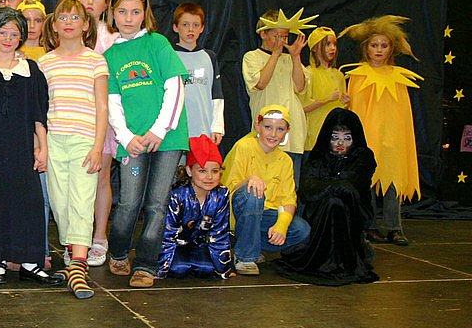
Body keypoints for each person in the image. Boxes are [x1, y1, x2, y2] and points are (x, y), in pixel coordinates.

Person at [104, 0, 189, 288]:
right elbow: (112, 102)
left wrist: (159, 130)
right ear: (112, 15)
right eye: (122, 12)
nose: (128, 18)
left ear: (145, 15)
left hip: (167, 139)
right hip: (133, 144)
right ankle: (118, 252)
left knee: (156, 204)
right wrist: (127, 137)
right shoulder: (110, 55)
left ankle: (146, 265)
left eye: (135, 12)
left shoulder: (158, 43)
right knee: (129, 202)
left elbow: (175, 87)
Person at [0, 8, 58, 285]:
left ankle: (30, 262)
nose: (7, 39)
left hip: (22, 149)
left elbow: (39, 115)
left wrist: (42, 148)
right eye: (2, 33)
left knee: (28, 203)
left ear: (21, 37)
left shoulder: (32, 71)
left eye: (14, 34)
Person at [38, 0, 108, 299]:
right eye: (63, 18)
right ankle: (72, 253)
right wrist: (40, 146)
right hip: (54, 140)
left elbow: (102, 107)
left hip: (84, 140)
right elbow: (40, 110)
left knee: (82, 199)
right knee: (59, 202)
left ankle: (78, 265)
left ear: (86, 25)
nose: (68, 22)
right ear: (54, 25)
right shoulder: (44, 63)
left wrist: (98, 146)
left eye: (75, 17)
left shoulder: (95, 61)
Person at [58, 0, 124, 267]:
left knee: (100, 176)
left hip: (103, 117)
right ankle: (74, 238)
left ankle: (98, 237)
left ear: (107, 3)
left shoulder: (114, 38)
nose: (89, 2)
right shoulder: (65, 30)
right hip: (69, 118)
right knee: (69, 182)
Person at [340, 15, 422, 246]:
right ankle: (368, 226)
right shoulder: (358, 76)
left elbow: (403, 115)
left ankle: (394, 228)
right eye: (374, 45)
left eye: (383, 46)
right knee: (368, 183)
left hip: (393, 141)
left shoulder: (399, 78)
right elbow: (355, 110)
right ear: (366, 48)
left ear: (391, 49)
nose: (378, 50)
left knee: (393, 183)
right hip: (368, 139)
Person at [276, 108, 379, 285]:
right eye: (335, 137)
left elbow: (353, 186)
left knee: (336, 203)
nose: (340, 143)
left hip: (354, 213)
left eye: (347, 138)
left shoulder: (364, 156)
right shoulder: (318, 156)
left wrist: (327, 186)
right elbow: (308, 190)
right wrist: (336, 186)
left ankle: (345, 257)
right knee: (333, 202)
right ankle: (326, 259)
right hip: (320, 213)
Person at [222, 105, 311, 275]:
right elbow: (227, 189)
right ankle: (245, 257)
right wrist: (249, 180)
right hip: (237, 211)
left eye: (280, 129)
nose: (273, 134)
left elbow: (288, 199)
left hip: (265, 214)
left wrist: (282, 224)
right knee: (254, 193)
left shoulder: (285, 160)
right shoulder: (243, 147)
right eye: (268, 127)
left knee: (301, 230)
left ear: (287, 131)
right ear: (257, 126)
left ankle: (252, 244)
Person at [242, 9, 315, 184]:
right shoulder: (252, 57)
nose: (282, 41)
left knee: (290, 183)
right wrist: (275, 54)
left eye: (285, 37)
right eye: (277, 36)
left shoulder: (290, 59)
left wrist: (295, 57)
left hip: (293, 130)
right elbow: (260, 83)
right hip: (266, 131)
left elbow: (300, 87)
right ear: (263, 34)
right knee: (264, 183)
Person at [156, 135, 232, 281]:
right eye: (202, 171)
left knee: (206, 269)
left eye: (215, 171)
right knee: (179, 268)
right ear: (189, 171)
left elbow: (220, 233)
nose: (209, 177)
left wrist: (223, 270)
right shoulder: (177, 195)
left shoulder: (221, 195)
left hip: (199, 244)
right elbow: (167, 233)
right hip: (175, 244)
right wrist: (161, 270)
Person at [172, 2, 224, 146]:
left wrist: (217, 127)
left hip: (203, 131)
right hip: (176, 132)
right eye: (185, 24)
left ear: (202, 28)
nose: (191, 29)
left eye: (195, 25)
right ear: (175, 27)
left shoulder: (209, 57)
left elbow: (216, 95)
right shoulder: (169, 56)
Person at [302, 27, 347, 153]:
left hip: (336, 136)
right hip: (316, 136)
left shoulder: (339, 75)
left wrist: (345, 102)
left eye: (334, 44)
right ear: (314, 48)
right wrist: (327, 99)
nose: (333, 48)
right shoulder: (308, 73)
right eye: (327, 44)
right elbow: (303, 106)